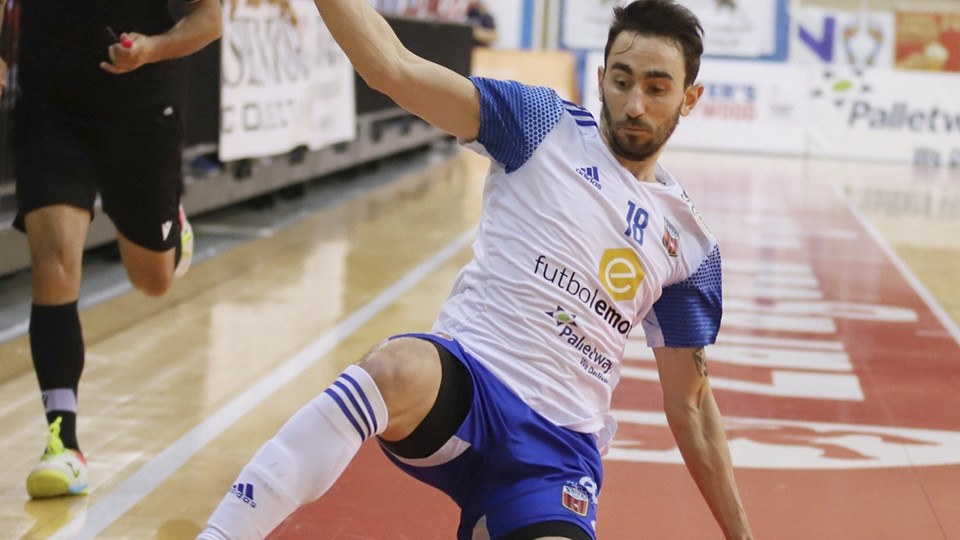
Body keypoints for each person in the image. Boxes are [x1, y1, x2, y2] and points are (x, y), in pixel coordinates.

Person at [199, 0, 753, 538]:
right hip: (468, 385)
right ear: (602, 74)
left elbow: (692, 408)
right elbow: (394, 69)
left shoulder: (691, 245)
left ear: (690, 97)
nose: (634, 104)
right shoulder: (540, 125)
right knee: (392, 368)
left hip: (557, 456)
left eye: (657, 88)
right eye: (623, 80)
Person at [2, 0, 221, 499]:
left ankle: (169, 230)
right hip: (49, 110)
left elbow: (210, 19)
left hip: (140, 111)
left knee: (152, 280)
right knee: (54, 261)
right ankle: (64, 443)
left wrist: (152, 48)